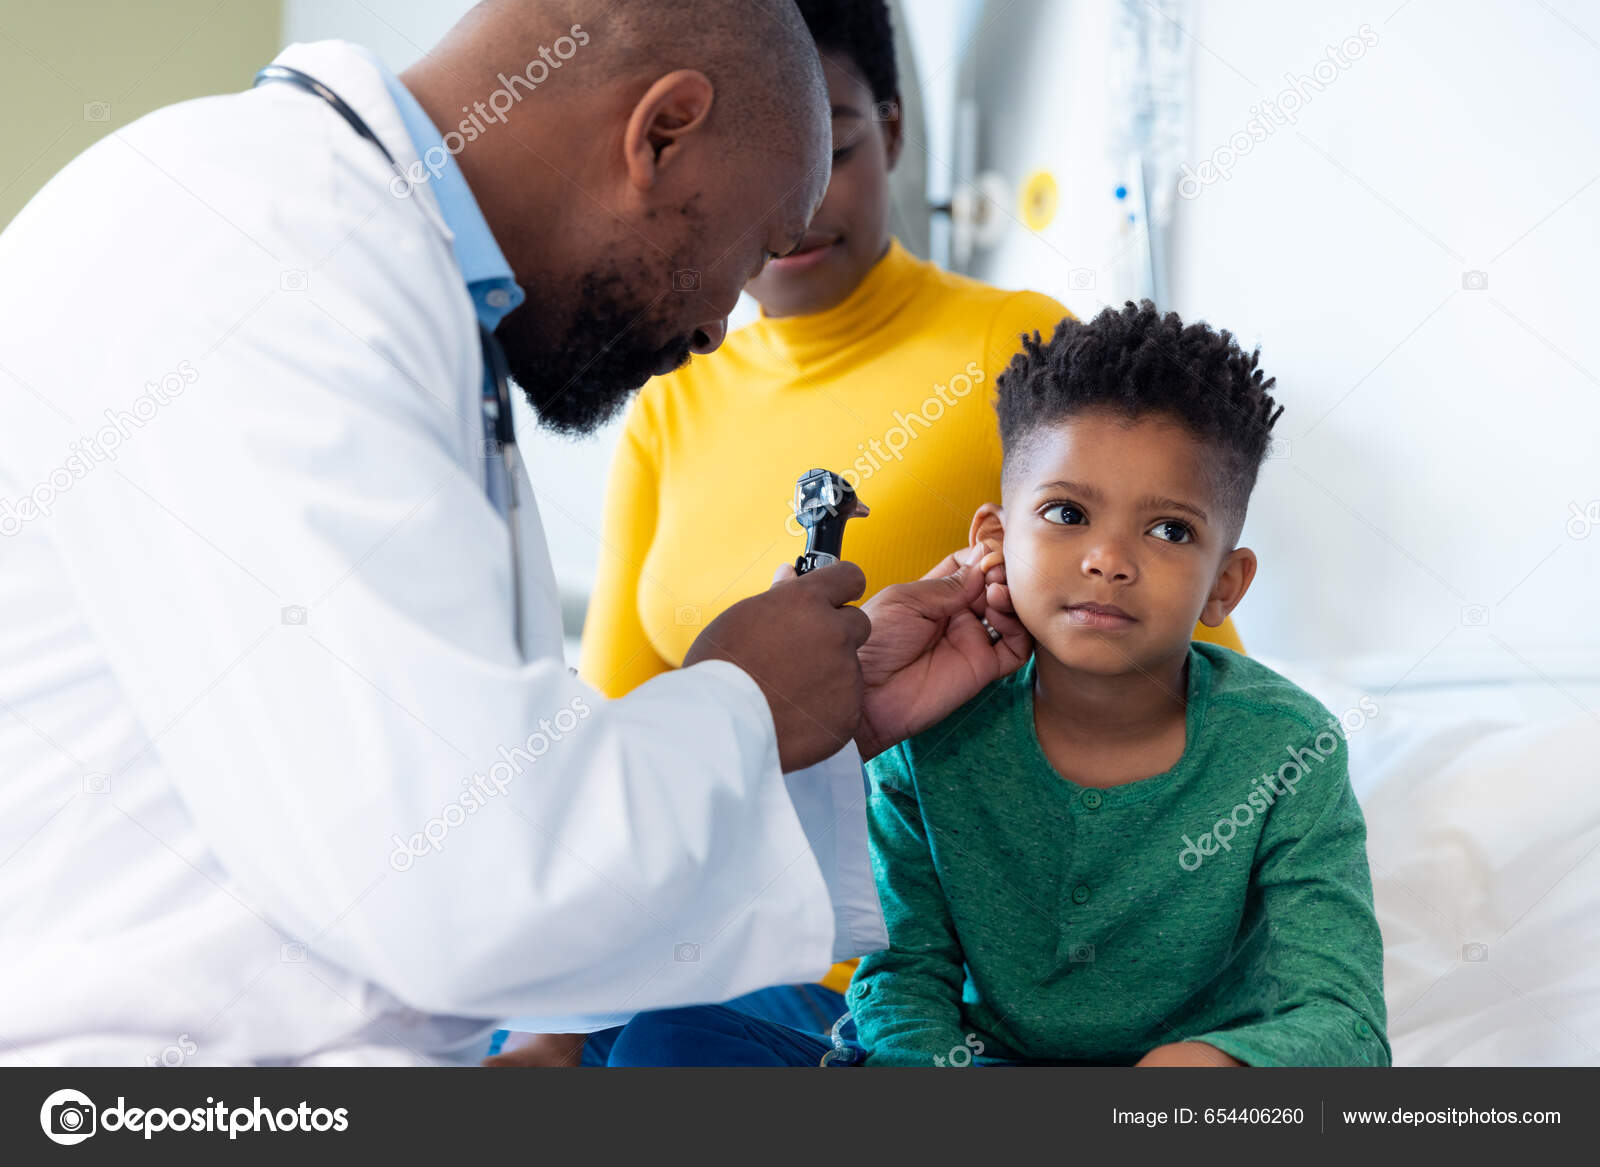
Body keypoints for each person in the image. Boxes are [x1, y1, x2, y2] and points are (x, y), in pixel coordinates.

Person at [0, 0, 1028, 1066]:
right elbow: (449, 875)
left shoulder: (391, 278)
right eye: (749, 245)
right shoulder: (261, 251)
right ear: (662, 134)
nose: (720, 323)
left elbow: (485, 810)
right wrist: (747, 704)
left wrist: (822, 724)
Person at [509, 0, 1240, 1067]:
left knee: (669, 1052)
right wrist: (544, 1037)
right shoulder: (671, 400)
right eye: (744, 165)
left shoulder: (1016, 352)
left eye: (833, 151)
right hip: (698, 939)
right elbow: (625, 732)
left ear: (891, 132)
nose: (793, 207)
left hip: (915, 966)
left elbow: (1185, 657)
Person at [604, 302, 1389, 1067]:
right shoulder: (932, 731)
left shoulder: (1288, 748)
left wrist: (1211, 1064)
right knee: (667, 1039)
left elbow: (1345, 1021)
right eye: (1066, 511)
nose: (1109, 559)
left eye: (1169, 530)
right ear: (995, 541)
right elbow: (904, 980)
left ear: (1226, 583)